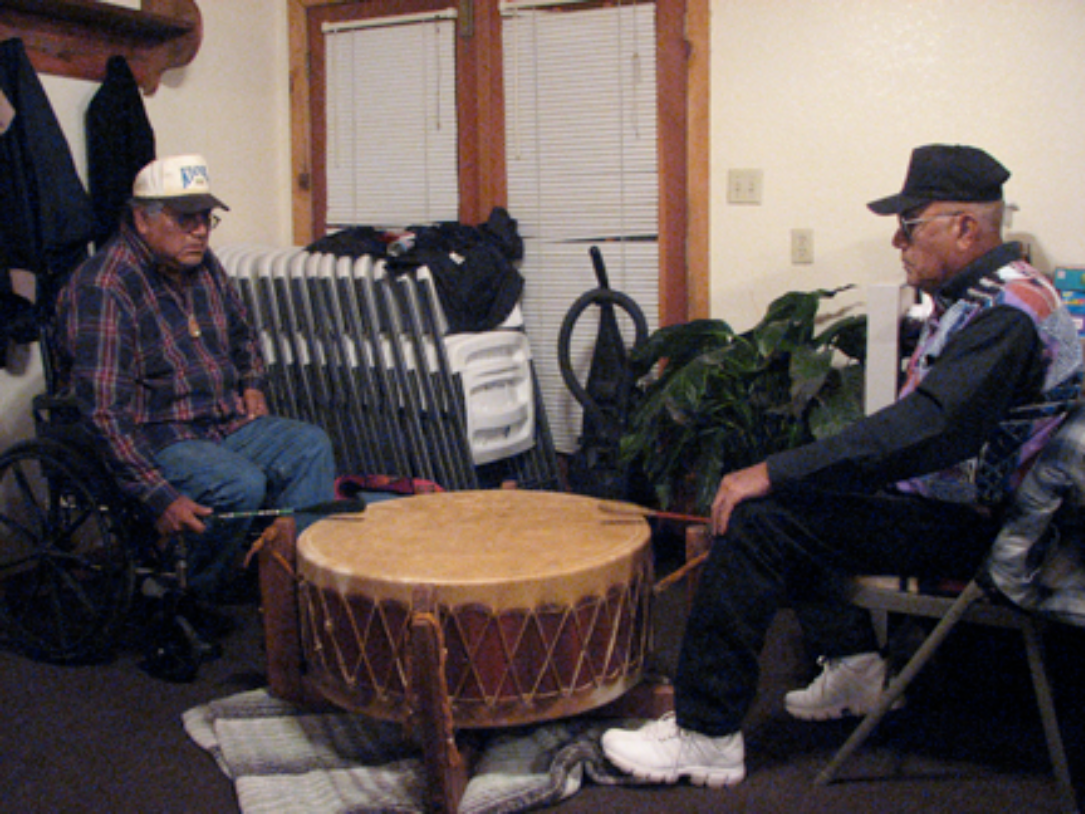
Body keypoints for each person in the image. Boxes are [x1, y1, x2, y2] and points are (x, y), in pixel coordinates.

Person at [600, 144, 1084, 786]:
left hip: (982, 529)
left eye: (910, 226)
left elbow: (933, 426)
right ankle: (856, 664)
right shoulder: (992, 293)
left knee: (763, 519)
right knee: (807, 482)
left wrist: (777, 471)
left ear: (965, 227)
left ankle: (706, 734)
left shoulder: (1009, 313)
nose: (897, 241)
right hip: (957, 505)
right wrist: (799, 468)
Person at [57, 154, 336, 611]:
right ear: (142, 221)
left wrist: (252, 382)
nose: (201, 230)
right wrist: (157, 494)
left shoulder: (204, 266)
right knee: (239, 484)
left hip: (220, 421)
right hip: (157, 435)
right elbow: (102, 413)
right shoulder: (105, 286)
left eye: (207, 218)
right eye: (186, 218)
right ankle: (198, 594)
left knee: (310, 445)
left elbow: (244, 333)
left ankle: (296, 590)